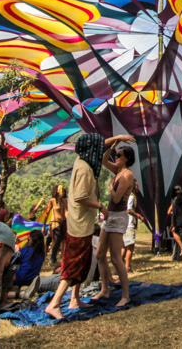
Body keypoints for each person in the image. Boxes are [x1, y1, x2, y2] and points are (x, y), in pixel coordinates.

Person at [45, 133, 116, 319]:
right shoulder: (85, 170)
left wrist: (116, 140)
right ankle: (54, 303)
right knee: (73, 263)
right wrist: (102, 207)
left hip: (80, 223)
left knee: (83, 262)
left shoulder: (81, 160)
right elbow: (80, 197)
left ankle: (74, 299)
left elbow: (98, 149)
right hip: (79, 224)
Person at [94, 141, 136, 302]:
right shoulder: (118, 170)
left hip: (118, 216)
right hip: (110, 215)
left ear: (127, 158)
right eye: (116, 155)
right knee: (99, 254)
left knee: (116, 258)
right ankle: (105, 289)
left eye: (119, 155)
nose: (116, 158)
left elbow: (116, 197)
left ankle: (125, 295)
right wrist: (114, 143)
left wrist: (111, 186)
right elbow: (104, 161)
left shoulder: (127, 175)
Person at [5, 230, 45, 304]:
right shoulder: (42, 254)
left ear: (32, 240)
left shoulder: (26, 250)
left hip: (19, 277)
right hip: (31, 279)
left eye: (28, 239)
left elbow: (13, 260)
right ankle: (20, 287)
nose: (27, 241)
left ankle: (13, 290)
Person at [123, 182, 141, 273]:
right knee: (130, 246)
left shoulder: (126, 195)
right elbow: (129, 210)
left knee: (124, 247)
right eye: (137, 185)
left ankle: (120, 266)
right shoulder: (131, 196)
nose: (138, 187)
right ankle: (127, 267)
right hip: (129, 224)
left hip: (125, 223)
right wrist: (138, 215)